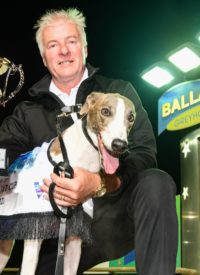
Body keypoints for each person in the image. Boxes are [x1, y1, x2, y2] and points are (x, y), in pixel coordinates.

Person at [0, 7, 178, 275]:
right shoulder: (28, 110)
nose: (64, 51)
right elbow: (5, 152)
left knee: (156, 182)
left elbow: (144, 154)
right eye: (53, 45)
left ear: (84, 47)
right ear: (44, 57)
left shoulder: (120, 93)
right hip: (52, 233)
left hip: (113, 221)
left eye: (71, 41)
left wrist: (99, 183)